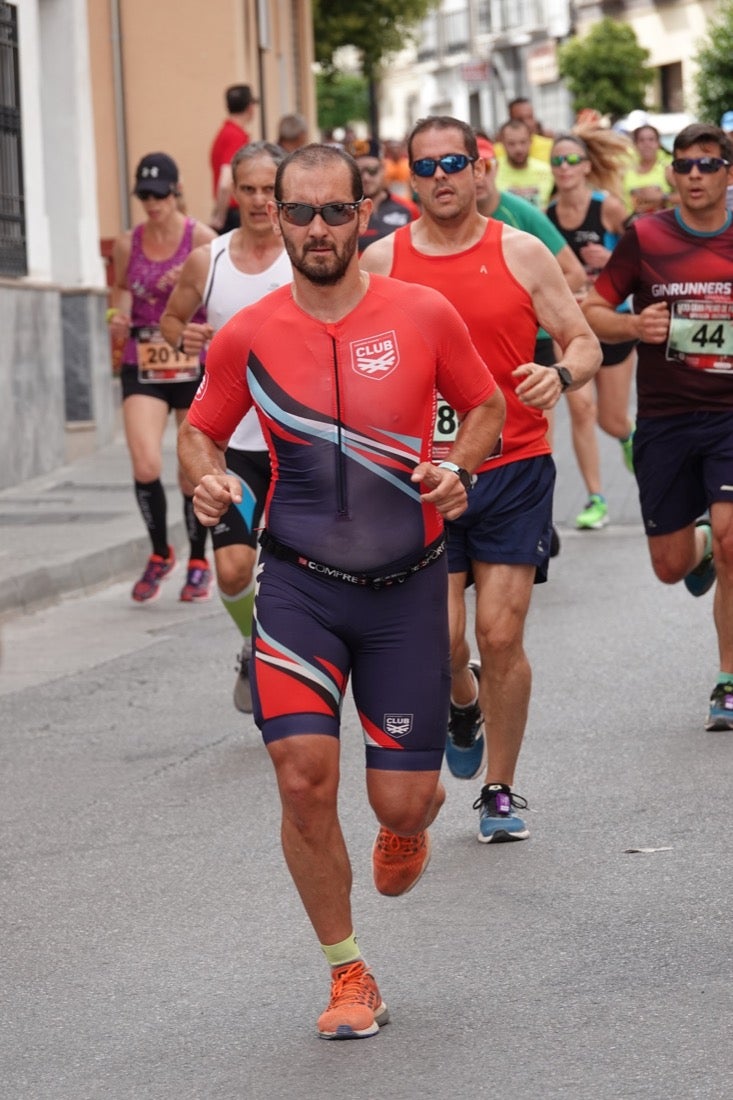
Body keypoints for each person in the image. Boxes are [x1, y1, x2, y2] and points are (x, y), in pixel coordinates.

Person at [178, 142, 506, 1038]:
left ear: (364, 211)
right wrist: (207, 480)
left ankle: (410, 820)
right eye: (299, 212)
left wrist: (459, 469)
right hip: (299, 590)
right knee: (301, 779)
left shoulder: (422, 312)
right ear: (271, 215)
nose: (317, 229)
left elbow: (484, 406)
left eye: (334, 212)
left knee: (399, 806)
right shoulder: (251, 332)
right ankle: (347, 971)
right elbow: (201, 430)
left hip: (406, 595)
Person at [361, 116, 601, 842]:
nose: (439, 177)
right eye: (425, 166)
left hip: (513, 466)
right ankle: (460, 703)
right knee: (443, 641)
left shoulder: (521, 252)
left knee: (500, 635)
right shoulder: (380, 261)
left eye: (453, 162)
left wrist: (556, 375)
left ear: (478, 168)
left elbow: (583, 338)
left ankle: (499, 788)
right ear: (410, 176)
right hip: (420, 477)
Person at [582, 121, 733, 732]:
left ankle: (728, 679)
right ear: (670, 172)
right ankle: (696, 550)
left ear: (727, 172)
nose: (694, 174)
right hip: (667, 420)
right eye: (685, 164)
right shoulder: (645, 236)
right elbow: (592, 308)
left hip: (730, 415)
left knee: (732, 536)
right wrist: (633, 327)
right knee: (670, 565)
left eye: (708, 164)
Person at [161, 142, 291, 711]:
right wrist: (182, 338)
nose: (261, 201)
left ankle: (305, 665)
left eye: (270, 189)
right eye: (250, 190)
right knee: (234, 571)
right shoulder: (207, 261)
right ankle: (251, 643)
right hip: (230, 444)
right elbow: (169, 319)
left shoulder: (305, 252)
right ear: (232, 194)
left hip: (297, 441)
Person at [107, 152, 216, 603]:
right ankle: (159, 553)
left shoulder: (203, 239)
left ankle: (197, 560)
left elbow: (218, 297)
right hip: (144, 359)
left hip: (190, 361)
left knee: (191, 475)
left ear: (176, 192)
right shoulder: (127, 243)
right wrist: (116, 317)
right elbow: (120, 294)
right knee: (145, 463)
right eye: (144, 196)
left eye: (160, 194)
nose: (152, 203)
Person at [474, 132, 586, 558]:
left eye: (486, 167)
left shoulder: (520, 213)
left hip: (530, 345)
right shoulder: (443, 226)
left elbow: (572, 273)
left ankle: (539, 519)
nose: (479, 177)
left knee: (530, 438)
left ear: (494, 169)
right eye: (473, 167)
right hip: (476, 343)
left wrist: (531, 305)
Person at [546, 128, 637, 530]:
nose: (563, 168)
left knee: (610, 420)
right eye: (557, 161)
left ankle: (631, 440)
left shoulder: (609, 207)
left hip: (611, 322)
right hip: (569, 327)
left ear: (585, 167)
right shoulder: (545, 216)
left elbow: (646, 251)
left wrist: (611, 255)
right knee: (581, 409)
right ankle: (596, 498)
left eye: (570, 160)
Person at [345, 137, 419, 253]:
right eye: (359, 172)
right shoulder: (343, 211)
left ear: (383, 169)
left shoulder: (408, 209)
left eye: (372, 170)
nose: (366, 178)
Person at [210, 84, 259, 233]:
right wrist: (219, 217)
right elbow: (226, 182)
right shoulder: (235, 136)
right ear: (250, 107)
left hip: (230, 212)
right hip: (232, 214)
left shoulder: (225, 132)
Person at [495, 119, 554, 209]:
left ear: (531, 142)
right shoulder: (492, 171)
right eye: (511, 143)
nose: (518, 149)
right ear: (502, 144)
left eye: (523, 142)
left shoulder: (547, 170)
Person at [623, 125, 674, 217]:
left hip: (662, 225)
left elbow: (687, 197)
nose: (646, 144)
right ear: (635, 145)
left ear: (658, 143)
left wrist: (663, 197)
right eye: (641, 140)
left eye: (651, 140)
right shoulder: (626, 169)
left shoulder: (668, 167)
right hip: (633, 226)